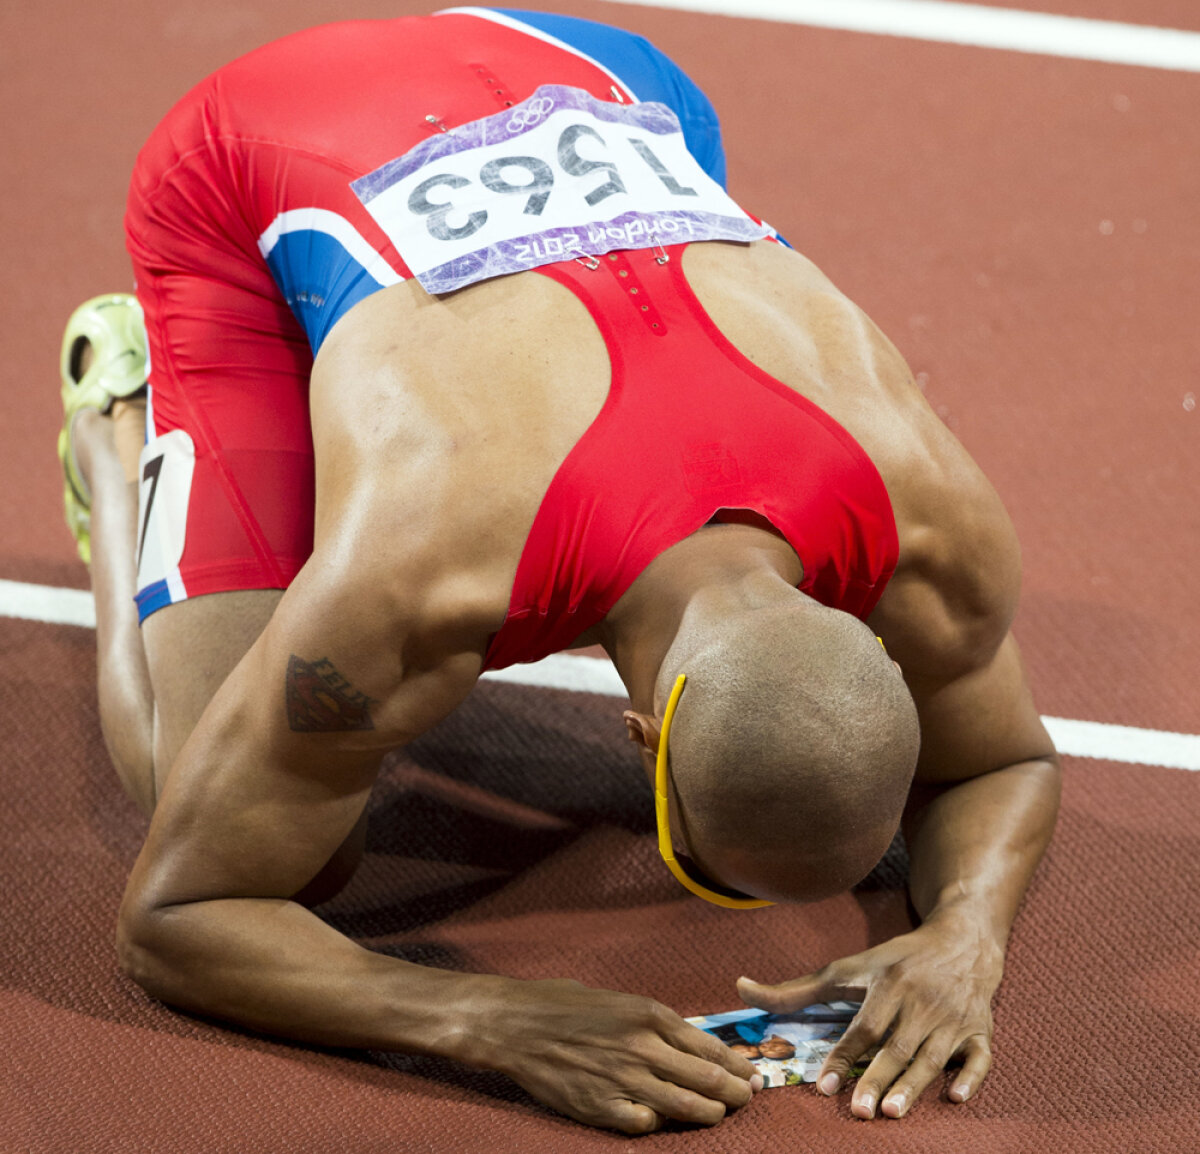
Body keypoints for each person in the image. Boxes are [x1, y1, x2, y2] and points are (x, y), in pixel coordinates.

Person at [57, 7, 1060, 1135]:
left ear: (882, 630)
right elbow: (182, 909)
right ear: (643, 739)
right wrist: (489, 1018)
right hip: (263, 144)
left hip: (609, 77)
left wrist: (967, 933)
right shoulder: (414, 582)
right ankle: (124, 418)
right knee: (249, 824)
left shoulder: (929, 520)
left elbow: (1002, 758)